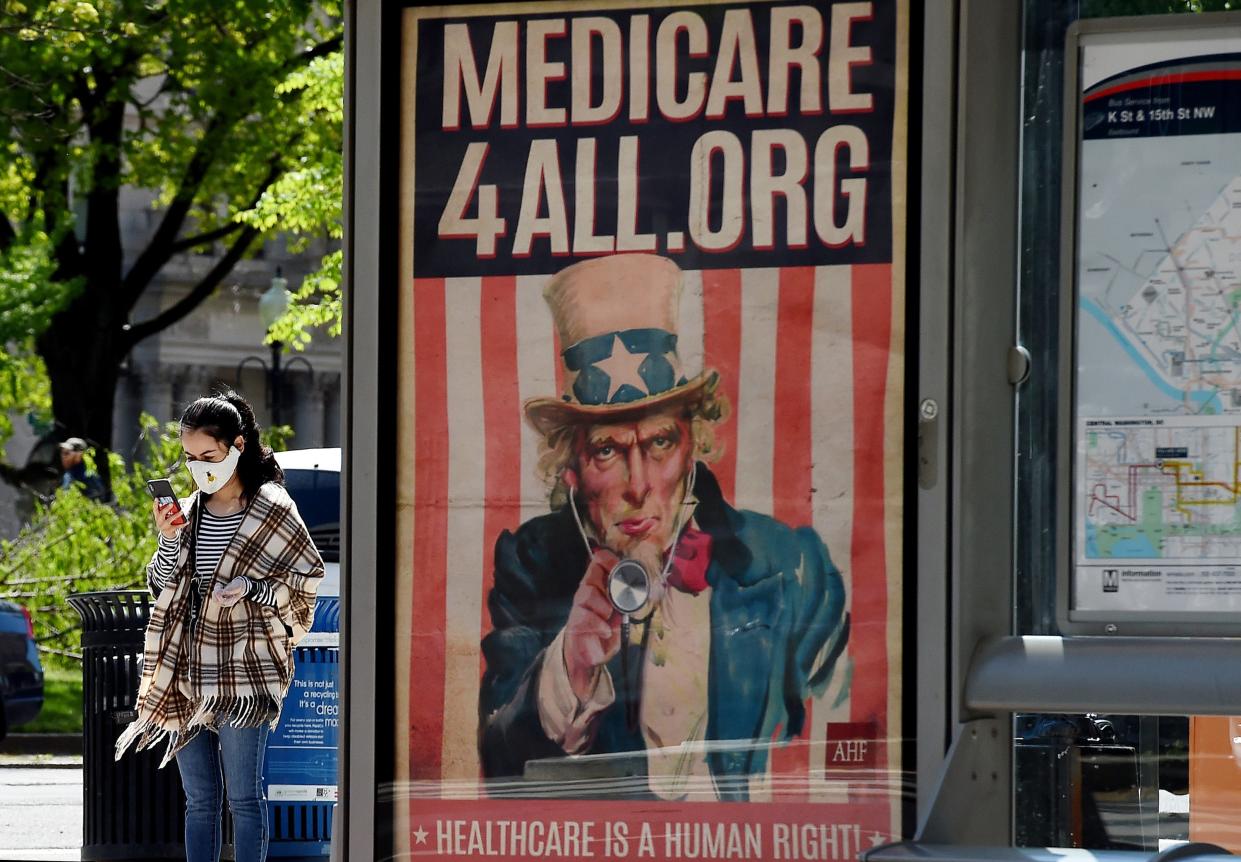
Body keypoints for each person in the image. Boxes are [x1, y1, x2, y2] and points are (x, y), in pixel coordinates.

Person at [478, 255, 850, 801]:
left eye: (659, 443)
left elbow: (842, 749)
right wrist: (569, 668)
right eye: (607, 450)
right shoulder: (532, 563)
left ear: (693, 444)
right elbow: (499, 769)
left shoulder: (790, 565)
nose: (639, 484)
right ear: (572, 469)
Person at [115, 390, 325, 862]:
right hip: (187, 669)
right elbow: (161, 583)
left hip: (246, 672)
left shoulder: (273, 508)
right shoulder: (189, 511)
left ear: (238, 446)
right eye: (189, 458)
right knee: (200, 801)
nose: (198, 468)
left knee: (244, 799)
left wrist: (253, 588)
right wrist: (169, 539)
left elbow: (306, 584)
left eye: (208, 456)